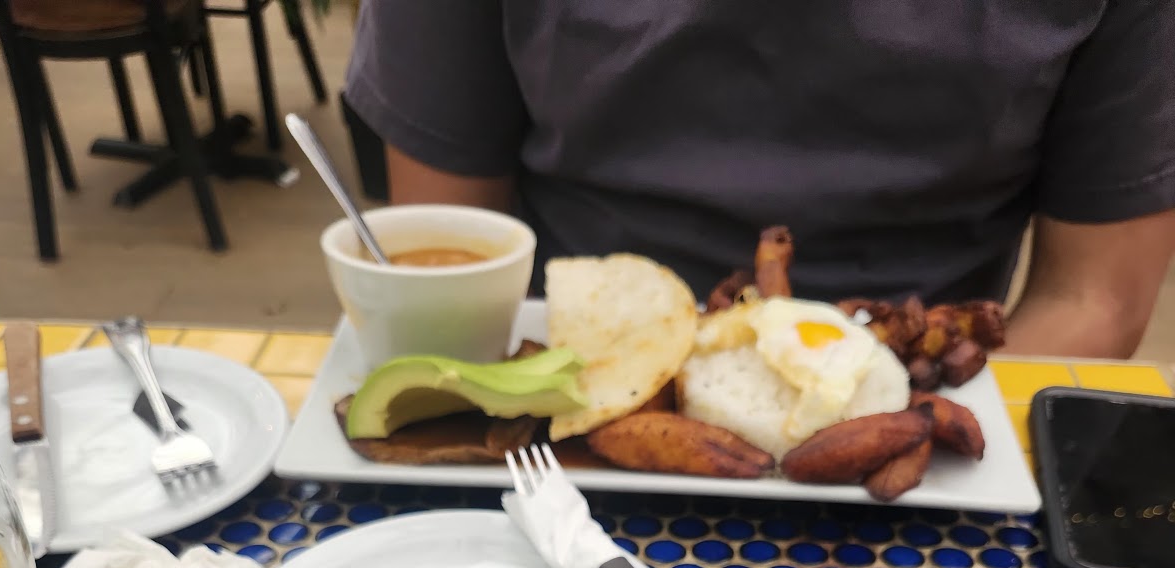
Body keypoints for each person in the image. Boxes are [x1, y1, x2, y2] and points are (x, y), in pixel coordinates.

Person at [343, 0, 1175, 358]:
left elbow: (1093, 301)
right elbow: (449, 251)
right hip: (563, 389)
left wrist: (915, 423)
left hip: (928, 401)